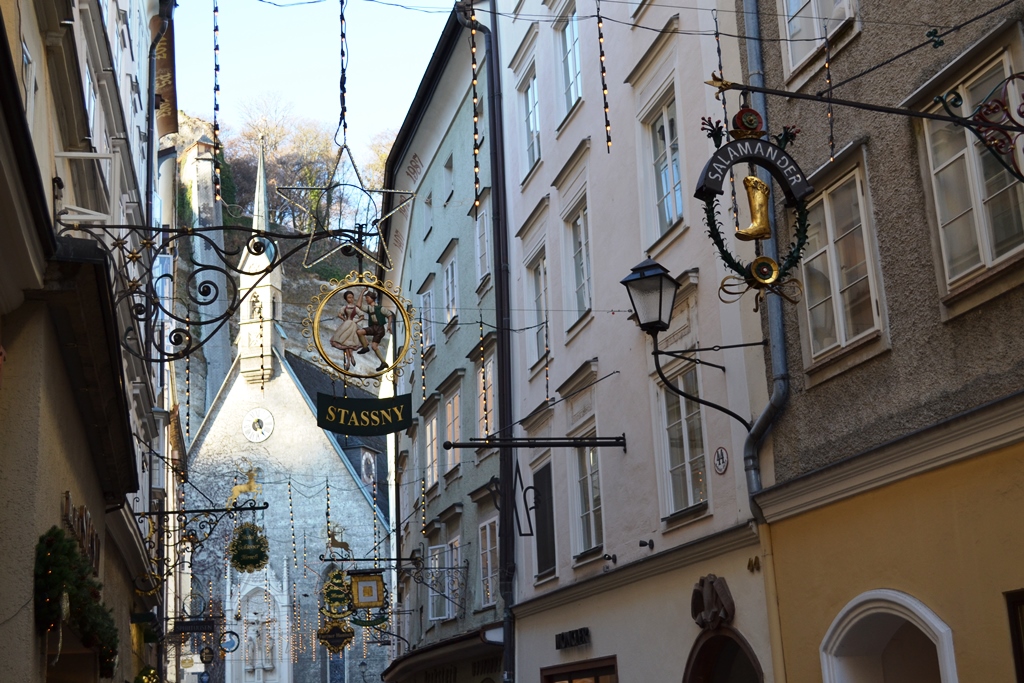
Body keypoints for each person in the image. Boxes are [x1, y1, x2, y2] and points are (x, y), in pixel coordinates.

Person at [356, 289, 394, 372]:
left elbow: (389, 315)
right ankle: (365, 347)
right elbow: (358, 305)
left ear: (372, 298)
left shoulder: (380, 308)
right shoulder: (369, 308)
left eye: (367, 298)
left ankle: (383, 363)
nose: (366, 299)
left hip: (380, 329)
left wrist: (389, 325)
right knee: (359, 332)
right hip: (373, 327)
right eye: (366, 298)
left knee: (374, 346)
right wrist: (362, 292)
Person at [329, 290, 363, 369]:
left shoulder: (355, 308)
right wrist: (345, 319)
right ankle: (349, 359)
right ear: (346, 299)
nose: (351, 299)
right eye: (349, 297)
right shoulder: (344, 307)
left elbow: (362, 315)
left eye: (352, 297)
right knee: (346, 344)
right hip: (346, 324)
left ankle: (350, 359)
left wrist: (355, 321)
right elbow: (339, 314)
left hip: (352, 325)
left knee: (349, 343)